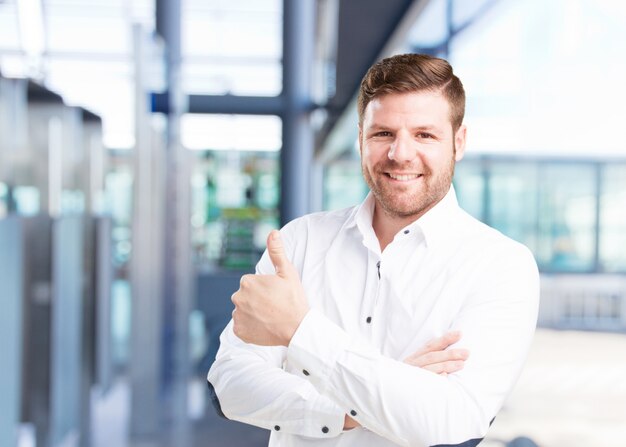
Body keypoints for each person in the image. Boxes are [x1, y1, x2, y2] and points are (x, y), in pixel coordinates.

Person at [207, 53, 539, 447]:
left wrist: (300, 330)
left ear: (459, 142)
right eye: (383, 133)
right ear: (360, 139)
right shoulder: (300, 241)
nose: (400, 154)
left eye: (424, 135)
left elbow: (450, 419)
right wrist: (361, 405)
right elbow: (230, 383)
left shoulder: (501, 266)